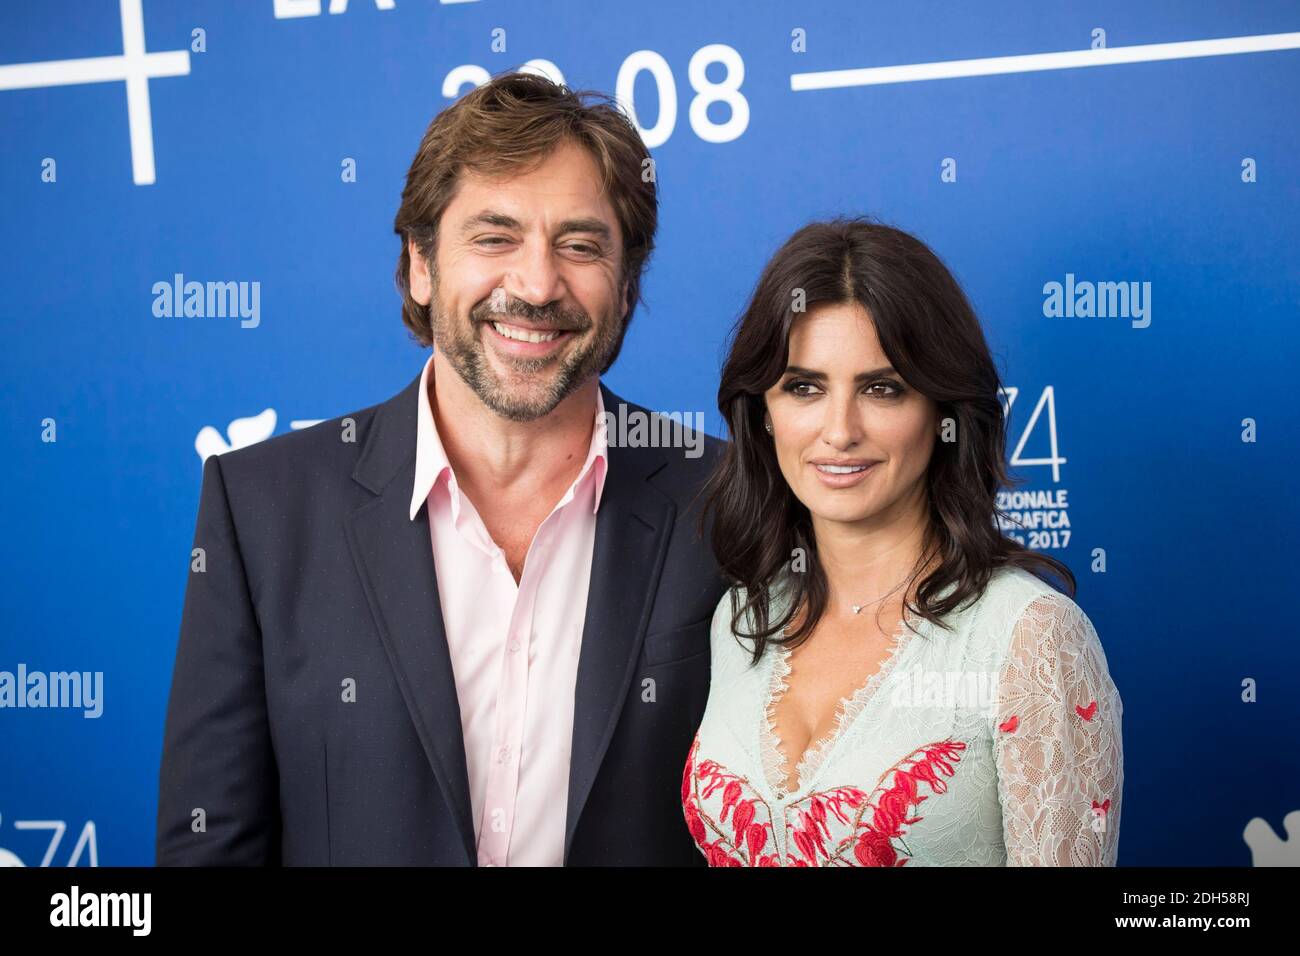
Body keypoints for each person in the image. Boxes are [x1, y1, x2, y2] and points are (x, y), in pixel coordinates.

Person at [157, 72, 725, 866]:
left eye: (580, 245)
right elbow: (209, 844)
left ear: (626, 286)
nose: (536, 285)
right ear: (420, 264)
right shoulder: (262, 509)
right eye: (495, 238)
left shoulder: (730, 502)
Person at [684, 217, 1123, 866]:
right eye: (804, 387)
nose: (840, 431)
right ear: (764, 412)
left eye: (882, 388)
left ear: (942, 410)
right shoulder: (743, 617)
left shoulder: (1028, 637)